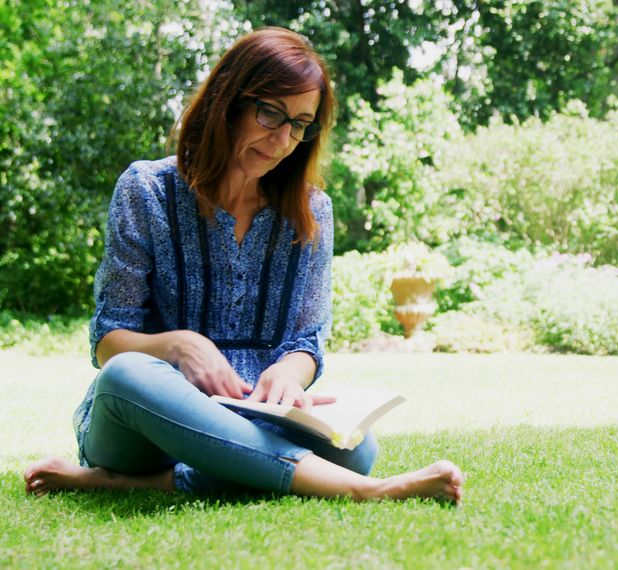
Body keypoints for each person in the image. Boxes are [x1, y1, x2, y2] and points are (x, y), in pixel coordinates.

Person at [22, 27, 463, 503]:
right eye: (270, 112)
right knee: (127, 374)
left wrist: (288, 376)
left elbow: (306, 341)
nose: (282, 139)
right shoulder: (145, 190)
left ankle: (141, 485)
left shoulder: (313, 210)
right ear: (226, 100)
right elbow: (110, 342)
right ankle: (365, 492)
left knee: (356, 446)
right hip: (145, 422)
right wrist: (178, 346)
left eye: (299, 124)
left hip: (258, 412)